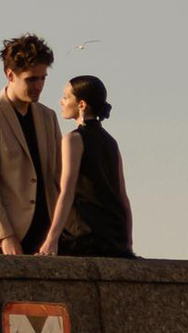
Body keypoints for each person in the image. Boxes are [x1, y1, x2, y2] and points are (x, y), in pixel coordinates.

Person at [0, 36, 63, 258]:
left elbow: (57, 178)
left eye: (43, 79)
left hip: (43, 238)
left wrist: (57, 234)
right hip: (0, 240)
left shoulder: (48, 117)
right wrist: (5, 236)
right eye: (31, 79)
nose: (38, 86)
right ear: (10, 75)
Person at [37, 73, 136, 259]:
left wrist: (51, 239)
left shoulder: (74, 139)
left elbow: (67, 192)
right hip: (114, 236)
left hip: (86, 234)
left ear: (81, 105)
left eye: (66, 97)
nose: (61, 102)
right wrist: (128, 241)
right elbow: (122, 196)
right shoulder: (111, 141)